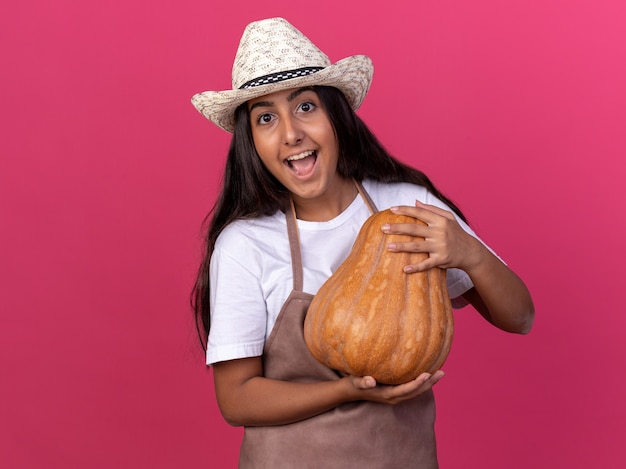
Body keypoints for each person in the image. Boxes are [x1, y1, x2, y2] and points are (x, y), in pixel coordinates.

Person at [190, 17, 534, 468]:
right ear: (251, 142)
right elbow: (236, 400)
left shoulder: (408, 207)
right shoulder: (245, 244)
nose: (291, 132)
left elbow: (520, 318)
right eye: (266, 117)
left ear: (336, 115)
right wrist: (347, 389)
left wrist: (470, 254)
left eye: (306, 106)